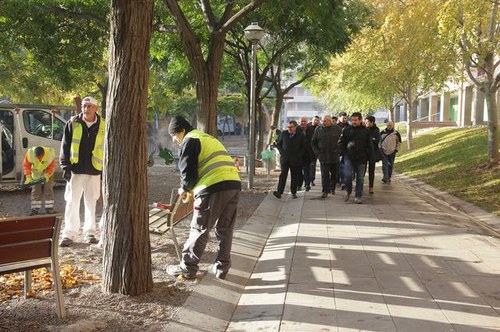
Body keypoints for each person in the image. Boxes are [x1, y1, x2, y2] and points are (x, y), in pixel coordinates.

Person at [166, 116, 241, 280]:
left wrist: (184, 189)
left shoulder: (190, 139)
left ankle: (187, 267)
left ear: (182, 131)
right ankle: (222, 268)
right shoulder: (207, 138)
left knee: (199, 228)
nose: (175, 141)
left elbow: (188, 172)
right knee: (225, 229)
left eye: (175, 136)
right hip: (233, 184)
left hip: (212, 187)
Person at [59, 96, 105, 247]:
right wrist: (65, 166)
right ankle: (69, 234)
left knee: (91, 202)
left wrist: (105, 171)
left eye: (90, 106)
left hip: (94, 170)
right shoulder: (73, 123)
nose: (86, 109)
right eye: (85, 106)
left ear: (96, 108)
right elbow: (65, 146)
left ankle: (89, 232)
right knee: (72, 202)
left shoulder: (104, 125)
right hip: (75, 170)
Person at [338, 112, 375, 204]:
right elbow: (341, 142)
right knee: (348, 175)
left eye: (355, 120)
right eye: (352, 120)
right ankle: (348, 191)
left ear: (360, 120)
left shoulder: (366, 131)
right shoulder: (346, 130)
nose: (353, 122)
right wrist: (342, 152)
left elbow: (370, 145)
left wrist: (371, 157)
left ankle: (358, 196)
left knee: (360, 178)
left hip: (361, 158)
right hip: (349, 157)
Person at [273, 120, 306, 199]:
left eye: (291, 127)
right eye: (288, 127)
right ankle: (279, 192)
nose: (289, 129)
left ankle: (293, 192)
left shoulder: (300, 135)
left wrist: (299, 155)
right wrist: (282, 152)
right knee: (283, 175)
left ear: (295, 127)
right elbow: (279, 144)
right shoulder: (284, 134)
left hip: (295, 159)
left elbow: (304, 147)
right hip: (285, 158)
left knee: (294, 176)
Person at [311, 115, 342, 198]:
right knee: (324, 175)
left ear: (329, 121)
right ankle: (325, 191)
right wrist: (318, 153)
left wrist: (339, 151)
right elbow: (313, 142)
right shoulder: (318, 129)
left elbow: (342, 141)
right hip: (323, 156)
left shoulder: (337, 129)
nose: (323, 122)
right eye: (322, 120)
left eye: (325, 121)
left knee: (334, 174)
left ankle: (332, 187)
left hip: (334, 156)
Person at [23, 146, 56, 215]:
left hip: (47, 172)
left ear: (43, 154)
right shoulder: (30, 153)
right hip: (36, 173)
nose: (38, 158)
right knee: (35, 191)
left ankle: (49, 208)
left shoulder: (50, 154)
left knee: (48, 189)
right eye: (37, 157)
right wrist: (28, 177)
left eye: (40, 157)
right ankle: (35, 209)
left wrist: (46, 176)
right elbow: (26, 166)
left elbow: (51, 167)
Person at [364, 116, 381, 194]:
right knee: (362, 170)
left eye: (368, 122)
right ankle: (360, 185)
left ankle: (371, 187)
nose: (366, 123)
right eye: (366, 122)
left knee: (371, 170)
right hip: (364, 152)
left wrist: (371, 139)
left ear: (372, 122)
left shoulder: (376, 130)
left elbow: (376, 140)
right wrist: (371, 139)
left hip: (372, 153)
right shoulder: (364, 129)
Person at [297, 116, 312, 191]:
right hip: (298, 154)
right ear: (299, 122)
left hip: (307, 154)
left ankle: (307, 184)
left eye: (304, 121)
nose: (303, 123)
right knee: (298, 171)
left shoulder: (311, 130)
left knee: (307, 170)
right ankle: (299, 185)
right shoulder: (296, 130)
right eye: (301, 121)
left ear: (307, 122)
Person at [307, 115, 320, 187]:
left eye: (317, 120)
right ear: (312, 120)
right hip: (307, 150)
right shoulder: (308, 128)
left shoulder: (319, 128)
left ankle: (312, 180)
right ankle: (307, 180)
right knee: (307, 166)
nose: (316, 121)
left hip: (314, 151)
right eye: (315, 120)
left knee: (313, 166)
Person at [337, 111, 349, 189]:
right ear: (339, 118)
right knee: (338, 166)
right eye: (343, 118)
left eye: (345, 118)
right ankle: (338, 180)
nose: (344, 119)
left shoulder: (349, 126)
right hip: (337, 149)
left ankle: (343, 182)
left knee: (344, 166)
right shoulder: (336, 127)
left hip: (346, 149)